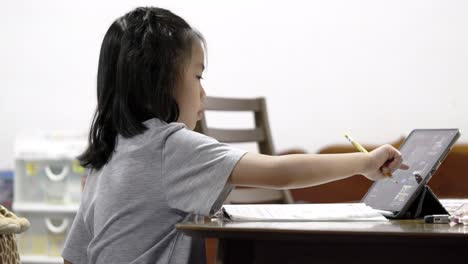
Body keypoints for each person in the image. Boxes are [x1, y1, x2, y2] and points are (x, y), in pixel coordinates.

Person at [62, 6, 409, 264]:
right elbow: (279, 172)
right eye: (198, 77)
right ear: (157, 81)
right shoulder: (171, 145)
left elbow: (75, 255)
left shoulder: (105, 153)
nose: (204, 93)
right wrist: (364, 162)